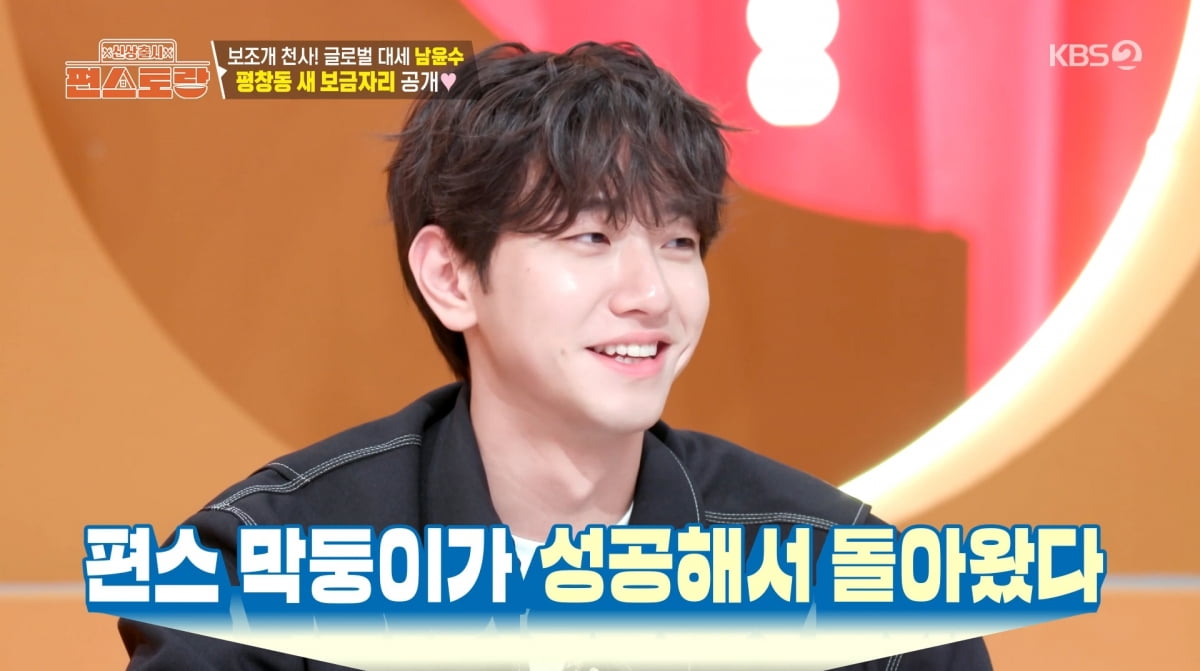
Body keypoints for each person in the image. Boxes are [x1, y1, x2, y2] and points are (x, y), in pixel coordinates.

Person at [119, 41, 992, 670]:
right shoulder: (264, 566)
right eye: (591, 236)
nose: (650, 292)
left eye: (679, 241)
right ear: (452, 276)